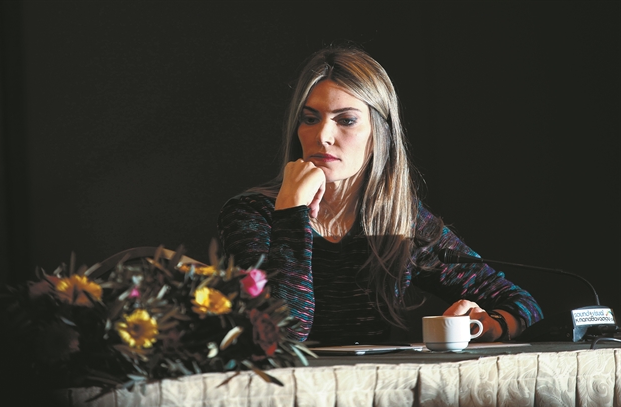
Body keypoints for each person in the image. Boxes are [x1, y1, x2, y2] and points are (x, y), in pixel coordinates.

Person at [217, 45, 543, 345]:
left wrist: (486, 325)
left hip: (372, 386)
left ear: (379, 133)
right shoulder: (251, 214)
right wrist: (290, 211)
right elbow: (280, 335)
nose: (323, 136)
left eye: (346, 120)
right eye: (310, 118)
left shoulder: (400, 220)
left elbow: (522, 304)